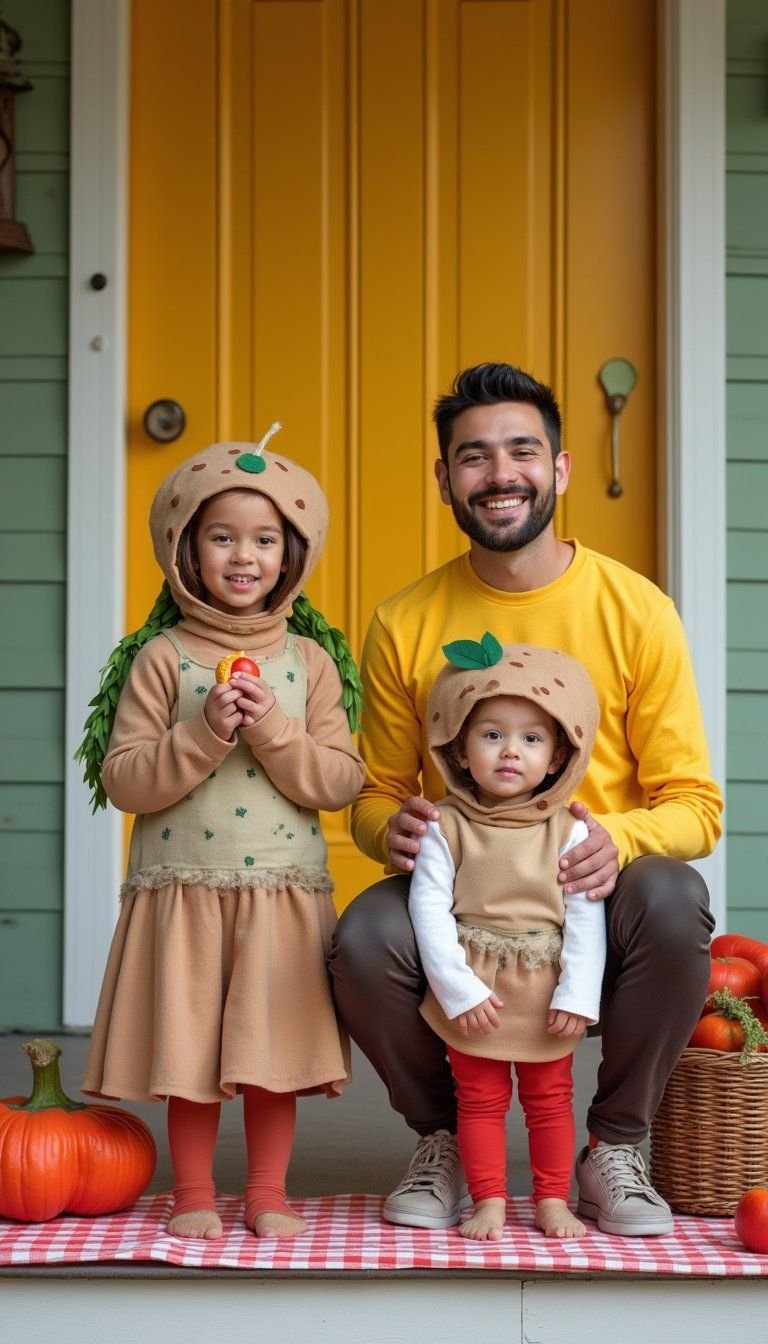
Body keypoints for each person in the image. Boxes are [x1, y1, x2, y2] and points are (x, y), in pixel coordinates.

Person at [329, 362, 722, 1237]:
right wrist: (383, 826)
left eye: (521, 451)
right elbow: (376, 792)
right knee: (362, 937)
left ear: (561, 468)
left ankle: (613, 1146)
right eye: (474, 457)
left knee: (672, 896)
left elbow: (695, 804)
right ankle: (441, 1139)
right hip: (469, 893)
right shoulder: (407, 621)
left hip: (595, 895)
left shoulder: (637, 610)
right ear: (444, 479)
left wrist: (614, 842)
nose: (499, 473)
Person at [81, 430, 364, 1241]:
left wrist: (273, 731)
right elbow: (126, 778)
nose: (244, 556)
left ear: (292, 555)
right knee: (191, 1054)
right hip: (185, 890)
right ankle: (195, 1192)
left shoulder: (307, 663)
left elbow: (339, 782)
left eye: (265, 540)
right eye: (223, 536)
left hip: (279, 890)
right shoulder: (162, 660)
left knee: (270, 1055)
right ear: (185, 550)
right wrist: (202, 731)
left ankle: (268, 1192)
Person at [409, 639, 606, 1241]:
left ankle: (552, 1199)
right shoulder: (446, 825)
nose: (511, 752)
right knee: (480, 1099)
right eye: (491, 735)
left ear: (557, 757)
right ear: (461, 752)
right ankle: (488, 1198)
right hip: (478, 991)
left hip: (546, 990)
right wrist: (456, 989)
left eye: (531, 738)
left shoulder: (570, 829)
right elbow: (429, 909)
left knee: (550, 1099)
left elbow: (584, 915)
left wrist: (578, 994)